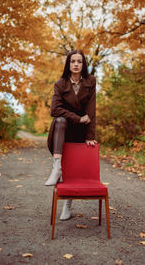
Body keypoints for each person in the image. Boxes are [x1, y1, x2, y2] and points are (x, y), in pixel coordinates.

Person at [45, 49, 97, 221]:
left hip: (81, 132)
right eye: (72, 61)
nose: (76, 64)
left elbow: (91, 111)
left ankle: (67, 205)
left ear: (83, 64)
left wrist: (90, 135)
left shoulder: (90, 81)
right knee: (60, 120)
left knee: (73, 171)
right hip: (62, 132)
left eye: (79, 61)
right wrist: (77, 118)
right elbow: (54, 109)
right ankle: (56, 166)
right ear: (68, 64)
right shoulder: (61, 84)